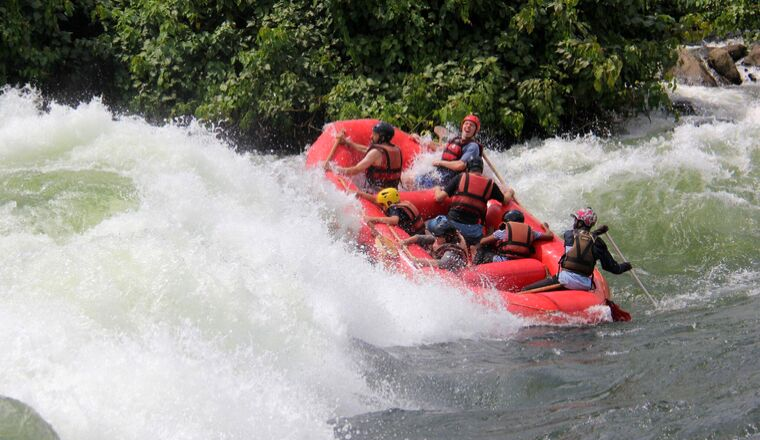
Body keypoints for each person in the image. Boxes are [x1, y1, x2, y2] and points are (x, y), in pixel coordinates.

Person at [520, 207, 633, 291]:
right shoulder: (599, 243)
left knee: (525, 290)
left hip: (564, 280)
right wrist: (626, 266)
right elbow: (612, 268)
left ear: (579, 222)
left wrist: (597, 232)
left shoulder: (569, 234)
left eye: (575, 220)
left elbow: (580, 239)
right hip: (585, 284)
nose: (574, 222)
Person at [434, 156, 512, 248]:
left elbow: (439, 198)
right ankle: (477, 245)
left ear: (467, 168)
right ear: (481, 170)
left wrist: (437, 188)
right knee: (480, 236)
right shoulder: (490, 184)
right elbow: (505, 201)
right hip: (473, 234)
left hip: (451, 229)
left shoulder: (460, 177)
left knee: (432, 224)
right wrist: (510, 191)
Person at [410, 114, 483, 189]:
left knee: (409, 180)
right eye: (466, 123)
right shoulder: (455, 139)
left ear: (475, 131)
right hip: (440, 174)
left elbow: (460, 165)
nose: (468, 126)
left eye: (471, 125)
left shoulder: (473, 147)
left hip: (450, 181)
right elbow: (438, 148)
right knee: (408, 178)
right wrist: (420, 139)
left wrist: (440, 162)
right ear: (462, 126)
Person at [325, 121, 403, 191]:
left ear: (382, 137)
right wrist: (348, 142)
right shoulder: (396, 150)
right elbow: (366, 149)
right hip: (392, 192)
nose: (371, 137)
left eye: (374, 134)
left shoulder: (376, 152)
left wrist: (333, 168)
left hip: (377, 192)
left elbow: (355, 170)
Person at [473, 209, 554, 265]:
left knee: (483, 249)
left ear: (506, 222)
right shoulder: (531, 232)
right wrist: (545, 227)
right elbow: (550, 236)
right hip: (521, 261)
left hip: (503, 262)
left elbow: (482, 242)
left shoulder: (502, 232)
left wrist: (490, 233)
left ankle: (473, 268)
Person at [399, 215, 468, 272]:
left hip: (451, 272)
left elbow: (442, 263)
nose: (436, 238)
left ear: (447, 237)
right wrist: (405, 241)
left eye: (438, 236)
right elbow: (419, 237)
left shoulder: (451, 251)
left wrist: (417, 260)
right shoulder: (443, 239)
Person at [356, 187, 426, 236]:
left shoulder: (393, 207)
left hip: (413, 236)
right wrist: (360, 194)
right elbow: (374, 200)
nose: (382, 207)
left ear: (388, 202)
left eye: (382, 205)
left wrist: (372, 219)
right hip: (421, 233)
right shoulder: (403, 203)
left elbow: (394, 220)